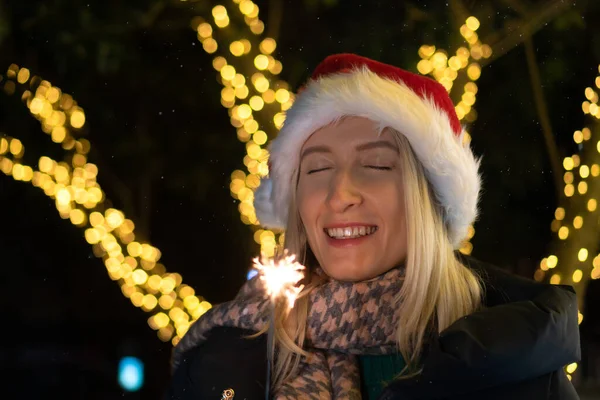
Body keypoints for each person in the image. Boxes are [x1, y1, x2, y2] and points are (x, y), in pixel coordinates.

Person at [165, 54, 581, 399]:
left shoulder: (518, 370)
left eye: (377, 164)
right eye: (318, 168)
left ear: (428, 198)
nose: (340, 193)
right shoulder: (225, 360)